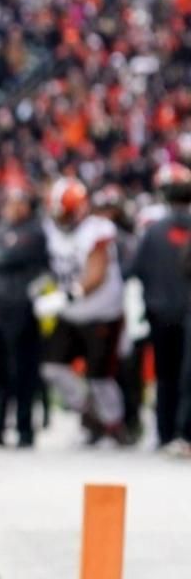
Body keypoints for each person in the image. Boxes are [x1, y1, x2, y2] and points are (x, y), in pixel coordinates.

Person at [37, 177, 132, 445]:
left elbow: (96, 273)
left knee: (100, 377)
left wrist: (66, 295)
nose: (60, 218)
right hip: (70, 313)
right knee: (52, 368)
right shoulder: (51, 230)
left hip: (101, 312)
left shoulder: (97, 229)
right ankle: (89, 415)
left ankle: (114, 426)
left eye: (64, 213)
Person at [0, 183, 46, 448]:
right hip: (2, 308)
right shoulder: (2, 228)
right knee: (0, 372)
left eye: (17, 203)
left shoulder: (34, 232)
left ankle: (25, 430)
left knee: (24, 372)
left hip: (24, 309)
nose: (11, 208)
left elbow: (5, 257)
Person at [130, 165, 191, 450]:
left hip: (159, 313)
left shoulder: (153, 232)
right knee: (186, 376)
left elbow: (134, 269)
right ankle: (184, 434)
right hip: (187, 313)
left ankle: (164, 434)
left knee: (164, 377)